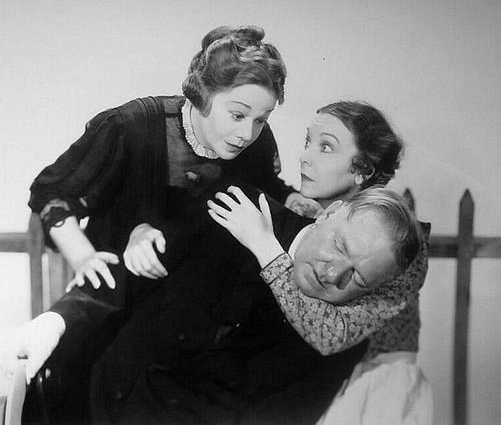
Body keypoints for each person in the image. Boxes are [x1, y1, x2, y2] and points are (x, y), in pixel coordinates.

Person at [4, 101, 427, 424]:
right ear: (332, 216)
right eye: (308, 143)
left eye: (327, 147)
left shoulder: (359, 306)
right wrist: (57, 321)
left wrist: (266, 249)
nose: (334, 272)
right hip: (107, 396)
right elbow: (135, 272)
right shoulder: (249, 207)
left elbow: (295, 394)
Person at [27, 24, 318, 290]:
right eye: (238, 115)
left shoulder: (257, 139)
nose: (247, 133)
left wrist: (293, 201)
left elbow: (263, 185)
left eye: (261, 119)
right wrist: (83, 258)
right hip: (123, 287)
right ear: (203, 94)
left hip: (203, 295)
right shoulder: (129, 127)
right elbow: (53, 193)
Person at [209, 186, 433, 424]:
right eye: (338, 246)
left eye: (358, 278)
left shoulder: (402, 261)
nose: (333, 274)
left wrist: (266, 248)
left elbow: (330, 335)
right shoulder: (297, 219)